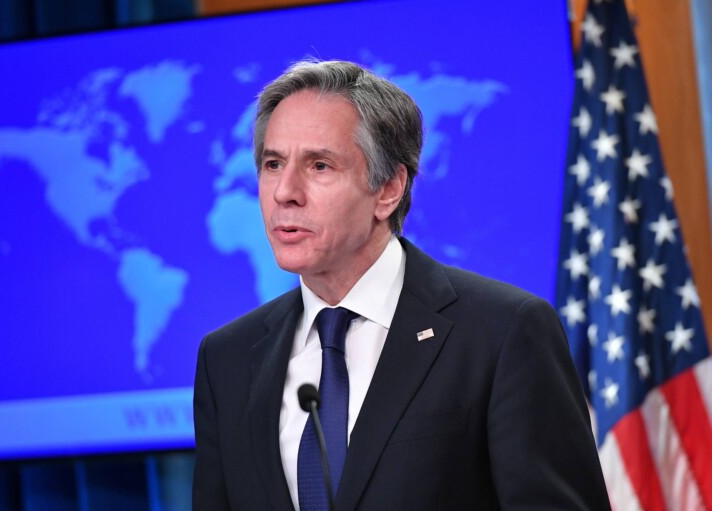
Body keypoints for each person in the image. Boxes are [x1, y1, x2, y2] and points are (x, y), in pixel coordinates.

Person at [193, 60, 610, 510]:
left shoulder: (502, 333)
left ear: (388, 189)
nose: (284, 192)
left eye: (319, 165)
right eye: (273, 164)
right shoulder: (228, 361)